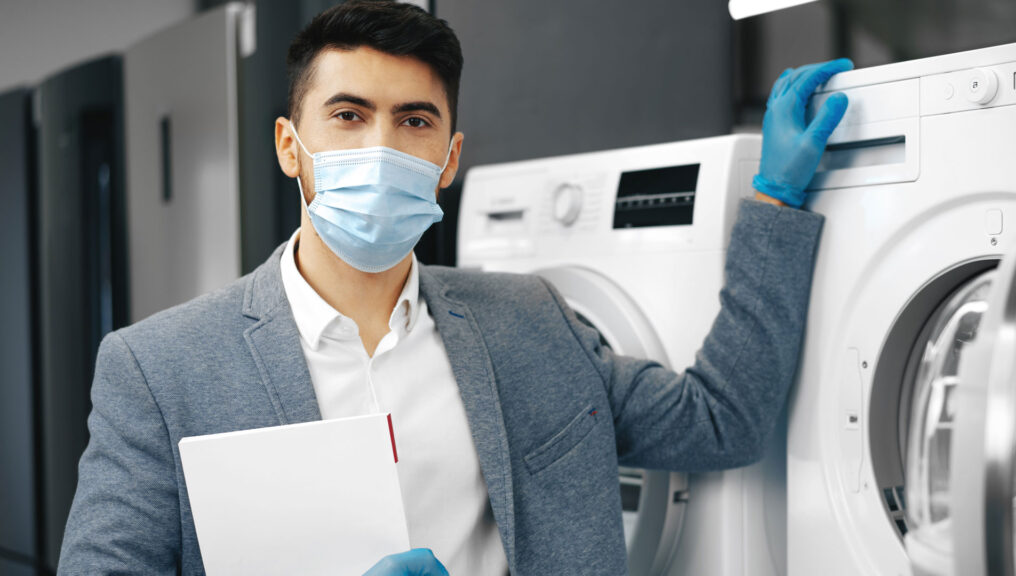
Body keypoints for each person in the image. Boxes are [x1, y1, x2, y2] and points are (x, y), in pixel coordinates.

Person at [57, 1, 852, 574]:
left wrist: (776, 202)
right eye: (348, 114)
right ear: (289, 146)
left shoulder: (531, 320)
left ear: (449, 156)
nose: (381, 145)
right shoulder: (158, 370)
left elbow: (719, 425)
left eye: (412, 121)